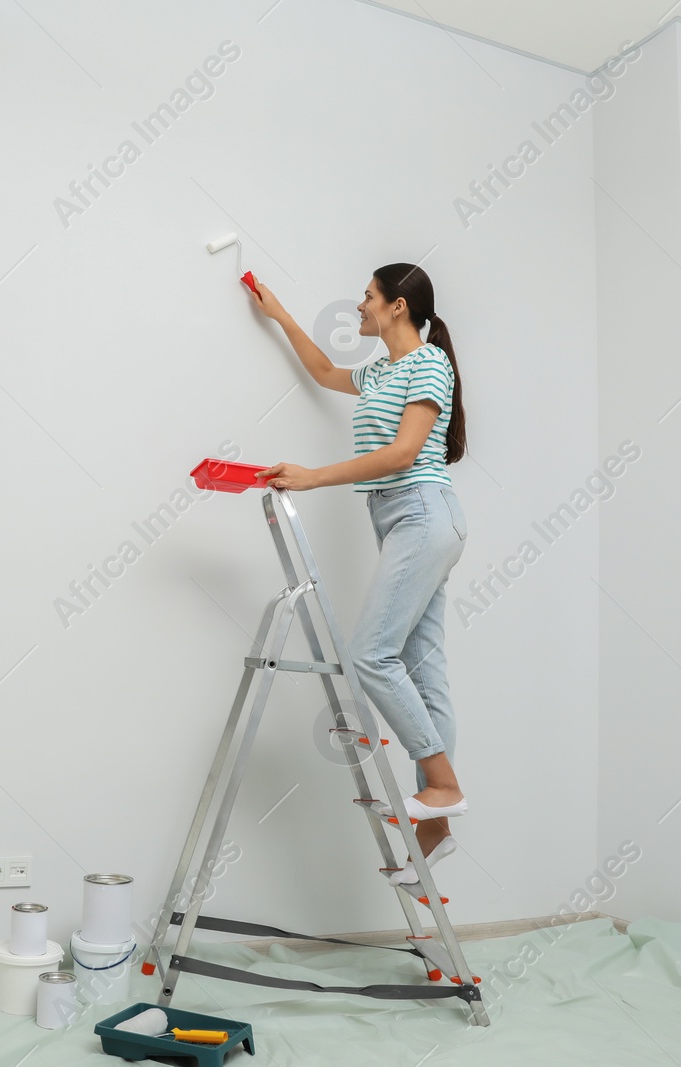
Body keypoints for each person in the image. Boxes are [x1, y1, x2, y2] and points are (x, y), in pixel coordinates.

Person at [248, 263, 469, 887]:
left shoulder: (428, 364)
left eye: (368, 297)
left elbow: (403, 454)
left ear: (398, 307)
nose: (359, 306)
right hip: (405, 520)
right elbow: (323, 371)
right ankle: (437, 826)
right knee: (422, 666)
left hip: (425, 511)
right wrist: (279, 313)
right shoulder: (382, 370)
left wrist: (313, 476)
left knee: (371, 654)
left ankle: (443, 786)